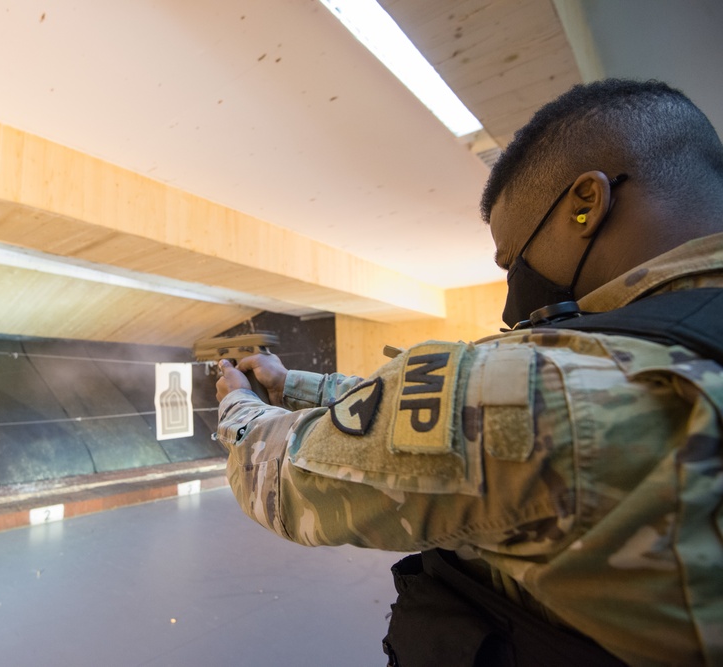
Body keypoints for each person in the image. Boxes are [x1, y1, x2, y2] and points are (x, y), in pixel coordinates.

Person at [213, 79, 723, 667]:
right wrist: (296, 384)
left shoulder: (553, 385)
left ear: (587, 203)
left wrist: (239, 402)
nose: (515, 292)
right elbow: (429, 417)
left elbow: (279, 476)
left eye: (515, 259)